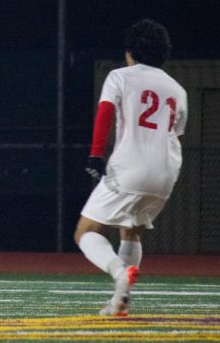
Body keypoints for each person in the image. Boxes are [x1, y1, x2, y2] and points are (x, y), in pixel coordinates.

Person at [74, 19, 187, 317]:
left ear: (130, 52)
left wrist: (96, 155)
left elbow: (105, 113)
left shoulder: (120, 76)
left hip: (130, 167)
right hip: (166, 171)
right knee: (130, 230)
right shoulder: (178, 89)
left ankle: (118, 273)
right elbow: (178, 135)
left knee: (85, 231)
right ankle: (118, 301)